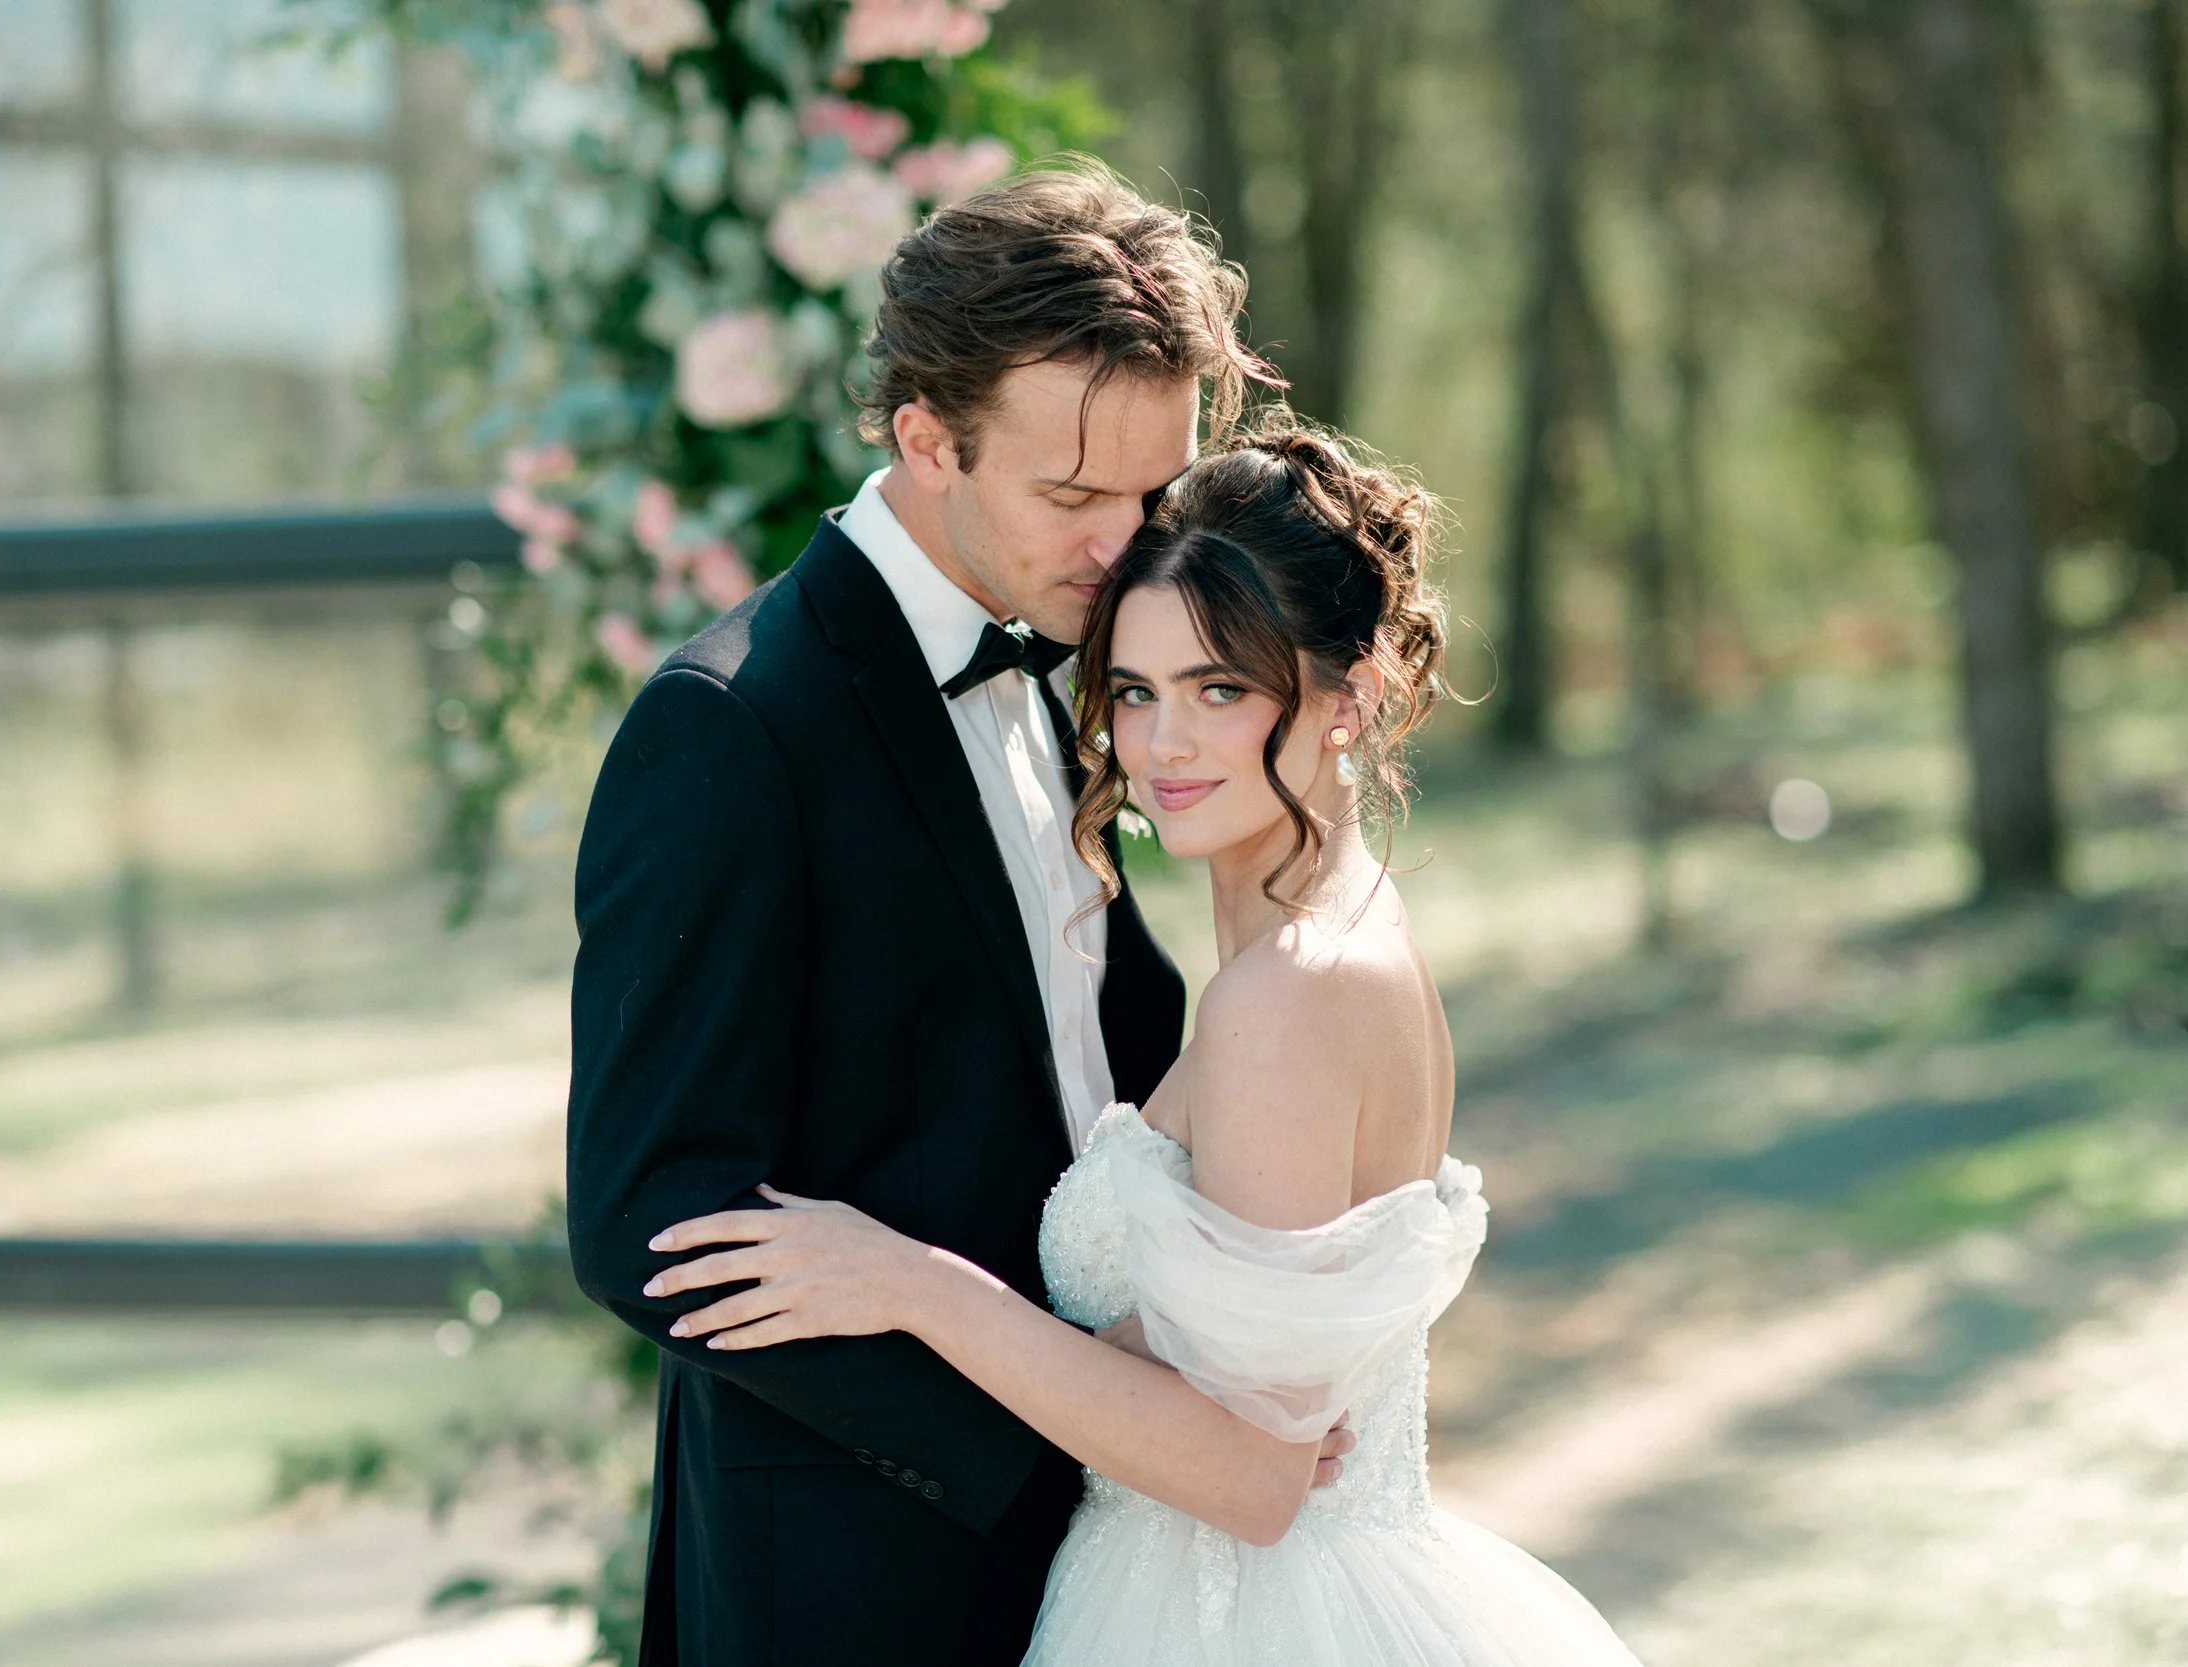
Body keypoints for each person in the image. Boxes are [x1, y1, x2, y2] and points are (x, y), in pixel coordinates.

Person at [643, 416, 1651, 1665]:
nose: (1162, 745)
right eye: (1133, 690)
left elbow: (1251, 1475)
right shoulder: (1325, 941)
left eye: (1220, 689)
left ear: (1351, 694)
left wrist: (909, 1282)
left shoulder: (1286, 995)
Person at [564, 160, 1350, 1667]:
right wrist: (1039, 1427)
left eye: (1151, 492)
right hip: (853, 1576)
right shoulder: (731, 728)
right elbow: (647, 1217)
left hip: (1112, 1542)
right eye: (1073, 495)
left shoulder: (1071, 659)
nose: (1127, 546)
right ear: (927, 437)